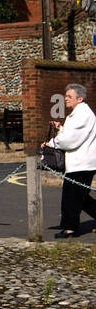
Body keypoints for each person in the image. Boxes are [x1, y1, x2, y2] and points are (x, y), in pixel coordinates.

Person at [44, 83, 96, 237]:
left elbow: (71, 140)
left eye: (69, 96)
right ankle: (69, 225)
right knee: (81, 197)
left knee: (71, 197)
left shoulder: (82, 114)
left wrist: (51, 143)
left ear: (79, 99)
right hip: (81, 163)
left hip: (82, 164)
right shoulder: (79, 113)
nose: (65, 99)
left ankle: (70, 229)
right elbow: (72, 135)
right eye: (66, 95)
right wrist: (61, 128)